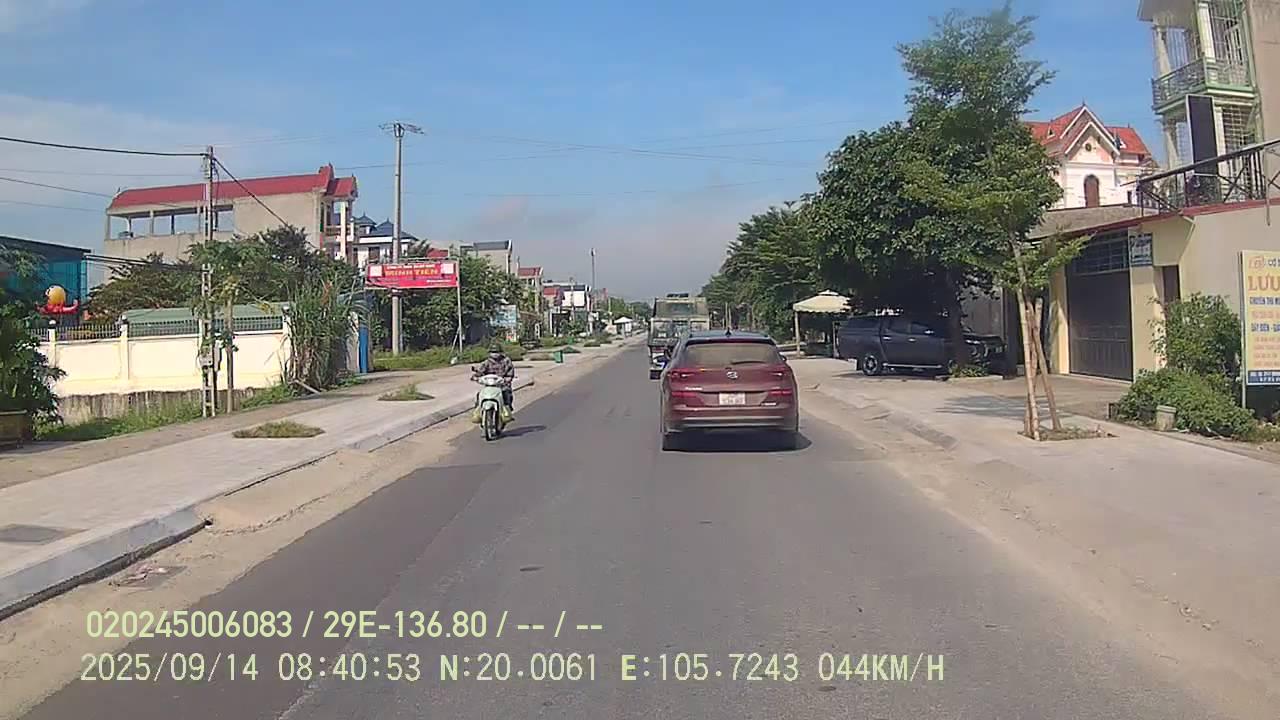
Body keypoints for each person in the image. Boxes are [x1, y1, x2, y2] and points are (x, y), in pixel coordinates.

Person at [473, 343, 516, 412]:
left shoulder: (506, 361)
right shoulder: (486, 362)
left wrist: (508, 378)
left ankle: (507, 408)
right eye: (493, 352)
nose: (495, 354)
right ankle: (478, 409)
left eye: (497, 352)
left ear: (500, 352)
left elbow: (510, 371)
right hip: (489, 386)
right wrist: (476, 377)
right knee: (479, 394)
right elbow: (480, 371)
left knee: (506, 393)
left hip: (502, 385)